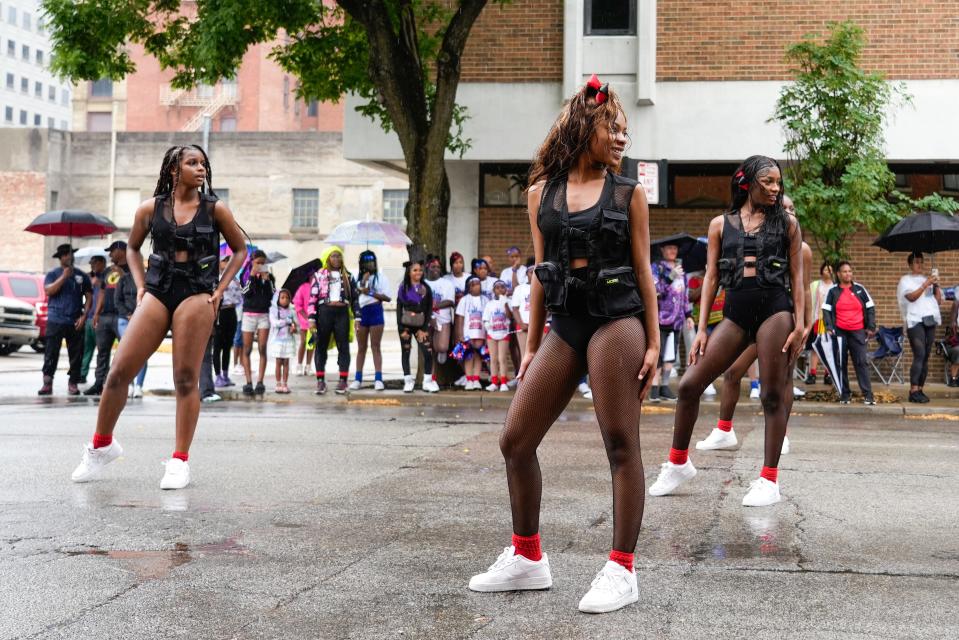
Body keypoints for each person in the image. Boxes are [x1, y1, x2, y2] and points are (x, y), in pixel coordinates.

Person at [468, 75, 659, 614]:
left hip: (617, 321)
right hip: (564, 323)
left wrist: (654, 339)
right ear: (583, 126)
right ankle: (528, 558)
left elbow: (643, 270)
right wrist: (531, 346)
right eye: (612, 127)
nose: (622, 137)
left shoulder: (629, 193)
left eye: (624, 129)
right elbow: (539, 273)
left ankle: (622, 569)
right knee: (515, 439)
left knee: (620, 443)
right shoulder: (540, 194)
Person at [70, 144, 247, 489]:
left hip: (197, 293)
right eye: (192, 163)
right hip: (157, 291)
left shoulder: (215, 210)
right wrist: (138, 286)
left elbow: (239, 249)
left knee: (184, 377)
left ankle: (180, 461)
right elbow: (132, 248)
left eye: (203, 164)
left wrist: (221, 289)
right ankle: (102, 445)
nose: (200, 169)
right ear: (173, 170)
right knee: (119, 371)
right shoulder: (150, 209)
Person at [648, 156, 804, 508]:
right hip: (734, 313)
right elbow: (711, 279)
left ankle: (769, 480)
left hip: (775, 311)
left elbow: (797, 277)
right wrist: (702, 328)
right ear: (747, 182)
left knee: (771, 395)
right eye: (768, 181)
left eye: (778, 182)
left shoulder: (788, 224)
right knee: (689, 385)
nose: (775, 188)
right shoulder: (721, 224)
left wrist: (802, 325)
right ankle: (677, 463)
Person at [698, 233, 814, 455]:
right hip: (752, 319)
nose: (786, 212)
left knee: (783, 379)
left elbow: (805, 287)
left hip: (781, 319)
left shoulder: (802, 249)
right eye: (784, 208)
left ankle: (782, 434)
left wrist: (805, 324)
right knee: (733, 372)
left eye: (791, 208)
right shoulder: (759, 242)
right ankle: (724, 430)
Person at [40, 244, 94, 396]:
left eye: (71, 254)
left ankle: (73, 382)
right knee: (51, 352)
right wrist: (64, 276)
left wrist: (84, 316)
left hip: (75, 320)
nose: (69, 257)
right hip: (55, 319)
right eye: (65, 255)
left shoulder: (81, 276)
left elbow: (89, 296)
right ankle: (47, 382)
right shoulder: (53, 274)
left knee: (76, 354)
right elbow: (49, 290)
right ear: (60, 258)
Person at [822, 261, 876, 405]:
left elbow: (870, 307)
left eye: (850, 271)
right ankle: (845, 394)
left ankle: (868, 395)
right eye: (844, 271)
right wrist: (828, 326)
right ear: (838, 274)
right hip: (839, 332)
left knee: (861, 362)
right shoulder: (833, 291)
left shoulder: (860, 289)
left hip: (858, 331)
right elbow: (826, 309)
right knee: (841, 363)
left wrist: (870, 327)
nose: (848, 274)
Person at [309, 245, 355, 395]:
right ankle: (320, 381)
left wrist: (358, 317)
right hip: (325, 312)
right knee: (320, 346)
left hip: (342, 313)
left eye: (339, 256)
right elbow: (313, 298)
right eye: (333, 256)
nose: (336, 259)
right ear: (328, 258)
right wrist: (311, 318)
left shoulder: (347, 275)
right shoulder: (319, 275)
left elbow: (354, 298)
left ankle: (343, 380)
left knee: (344, 346)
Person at [84, 241, 128, 396]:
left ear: (120, 250)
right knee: (102, 351)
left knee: (126, 352)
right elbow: (102, 292)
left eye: (111, 252)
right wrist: (96, 313)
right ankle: (99, 383)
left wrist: (122, 273)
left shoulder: (132, 268)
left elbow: (136, 286)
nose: (109, 255)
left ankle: (122, 383)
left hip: (123, 316)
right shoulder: (108, 271)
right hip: (105, 316)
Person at [897, 252, 942, 403]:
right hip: (915, 320)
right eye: (916, 262)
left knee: (926, 356)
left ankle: (921, 389)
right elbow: (911, 297)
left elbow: (937, 301)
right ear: (910, 264)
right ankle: (913, 390)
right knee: (920, 354)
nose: (920, 265)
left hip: (929, 320)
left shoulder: (927, 279)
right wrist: (925, 284)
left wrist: (935, 285)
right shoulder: (906, 280)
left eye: (921, 262)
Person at [396, 261, 439, 393]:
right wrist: (400, 327)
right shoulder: (403, 288)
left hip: (421, 325)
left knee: (427, 352)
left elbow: (428, 309)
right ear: (409, 272)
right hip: (406, 325)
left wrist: (424, 328)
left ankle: (427, 381)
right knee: (406, 351)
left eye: (420, 270)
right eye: (415, 270)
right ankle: (408, 381)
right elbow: (399, 307)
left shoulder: (426, 288)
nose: (418, 272)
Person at [650, 243, 686, 401]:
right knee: (659, 354)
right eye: (669, 248)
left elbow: (684, 295)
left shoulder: (681, 269)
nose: (673, 251)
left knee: (671, 355)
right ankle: (654, 388)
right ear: (662, 250)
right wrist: (670, 276)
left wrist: (689, 315)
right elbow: (656, 291)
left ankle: (664, 387)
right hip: (660, 318)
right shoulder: (657, 267)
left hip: (677, 319)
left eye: (675, 248)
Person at [351, 250, 391, 391]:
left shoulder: (381, 277)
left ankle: (378, 378)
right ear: (362, 264)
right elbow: (354, 295)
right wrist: (363, 282)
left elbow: (388, 297)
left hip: (376, 312)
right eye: (367, 261)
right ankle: (357, 378)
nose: (370, 264)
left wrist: (371, 292)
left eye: (372, 261)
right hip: (361, 313)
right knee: (361, 347)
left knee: (376, 346)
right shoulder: (356, 278)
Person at [240, 250, 275, 397]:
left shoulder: (269, 276)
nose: (260, 265)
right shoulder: (246, 274)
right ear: (252, 262)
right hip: (249, 314)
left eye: (263, 263)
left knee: (262, 348)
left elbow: (272, 294)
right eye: (258, 263)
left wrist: (266, 280)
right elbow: (245, 292)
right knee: (246, 349)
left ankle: (260, 381)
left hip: (263, 315)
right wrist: (253, 277)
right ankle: (248, 382)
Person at [115, 258, 148, 398]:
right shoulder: (123, 280)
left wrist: (139, 315)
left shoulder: (149, 280)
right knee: (128, 353)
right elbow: (117, 300)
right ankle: (129, 384)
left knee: (142, 353)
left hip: (143, 319)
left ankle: (139, 386)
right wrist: (128, 314)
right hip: (125, 319)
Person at [454, 276, 488, 390]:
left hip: (480, 332)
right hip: (468, 332)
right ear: (469, 287)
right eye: (474, 284)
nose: (477, 286)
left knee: (478, 355)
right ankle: (469, 379)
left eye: (478, 283)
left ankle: (476, 379)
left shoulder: (485, 300)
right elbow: (460, 318)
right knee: (468, 356)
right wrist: (459, 334)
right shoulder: (464, 300)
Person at [213, 255, 242, 388]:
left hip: (231, 312)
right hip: (220, 312)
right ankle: (217, 375)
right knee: (218, 345)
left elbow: (240, 296)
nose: (226, 263)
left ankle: (225, 374)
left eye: (228, 261)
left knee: (227, 346)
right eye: (224, 261)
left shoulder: (234, 278)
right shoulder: (216, 278)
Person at [805, 262, 834, 385]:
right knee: (815, 348)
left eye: (831, 270)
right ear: (821, 271)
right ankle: (812, 374)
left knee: (829, 349)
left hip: (830, 323)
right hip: (817, 320)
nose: (829, 272)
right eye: (826, 269)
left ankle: (828, 375)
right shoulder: (815, 285)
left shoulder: (835, 287)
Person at [425, 256, 456, 368]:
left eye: (438, 267)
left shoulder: (446, 283)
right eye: (433, 266)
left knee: (442, 347)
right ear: (427, 267)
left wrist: (433, 306)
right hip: (426, 320)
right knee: (429, 350)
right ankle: (430, 378)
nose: (436, 269)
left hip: (443, 320)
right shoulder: (423, 283)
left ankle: (441, 351)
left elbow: (450, 301)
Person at [80, 255, 106, 384]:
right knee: (87, 348)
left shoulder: (106, 277)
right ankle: (82, 374)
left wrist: (100, 283)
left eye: (95, 263)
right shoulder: (90, 278)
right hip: (89, 317)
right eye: (91, 264)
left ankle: (100, 378)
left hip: (101, 318)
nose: (92, 266)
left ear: (102, 263)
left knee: (102, 351)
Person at [483, 280, 513, 391]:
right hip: (492, 334)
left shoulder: (508, 302)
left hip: (504, 333)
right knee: (493, 359)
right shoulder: (489, 304)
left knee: (502, 358)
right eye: (497, 288)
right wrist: (487, 325)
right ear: (494, 290)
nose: (500, 289)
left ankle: (504, 382)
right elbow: (485, 319)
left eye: (502, 287)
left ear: (505, 289)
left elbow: (510, 316)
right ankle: (494, 382)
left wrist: (504, 303)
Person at [269, 288, 297, 394]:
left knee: (286, 362)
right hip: (278, 341)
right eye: (282, 298)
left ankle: (285, 383)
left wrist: (294, 327)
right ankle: (278, 383)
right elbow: (275, 323)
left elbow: (295, 325)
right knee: (278, 362)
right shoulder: (274, 311)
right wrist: (286, 321)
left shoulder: (292, 311)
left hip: (288, 341)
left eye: (287, 298)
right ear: (278, 299)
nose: (284, 300)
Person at [293, 276, 315, 376]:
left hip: (314, 320)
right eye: (312, 275)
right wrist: (306, 317)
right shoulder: (303, 287)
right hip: (304, 320)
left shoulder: (317, 287)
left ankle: (308, 366)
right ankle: (299, 365)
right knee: (303, 342)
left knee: (311, 343)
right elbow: (298, 304)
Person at [510, 271, 532, 365]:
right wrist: (520, 323)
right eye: (531, 272)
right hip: (523, 325)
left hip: (539, 325)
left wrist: (540, 323)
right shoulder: (519, 289)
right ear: (526, 273)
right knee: (524, 354)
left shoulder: (543, 286)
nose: (534, 274)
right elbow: (515, 308)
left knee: (539, 355)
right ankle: (524, 379)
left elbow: (547, 307)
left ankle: (537, 379)